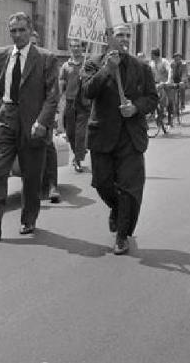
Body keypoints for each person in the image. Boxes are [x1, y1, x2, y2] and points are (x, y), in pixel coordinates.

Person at [0, 12, 59, 241]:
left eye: (21, 30)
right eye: (13, 31)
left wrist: (42, 122)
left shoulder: (46, 58)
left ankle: (29, 218)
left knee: (31, 176)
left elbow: (53, 96)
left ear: (30, 31)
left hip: (33, 123)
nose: (17, 35)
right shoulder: (1, 54)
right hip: (7, 119)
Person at [81, 24, 158, 255]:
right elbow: (87, 91)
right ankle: (116, 209)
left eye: (127, 35)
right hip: (103, 135)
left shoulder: (141, 67)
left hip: (130, 136)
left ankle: (122, 235)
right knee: (103, 184)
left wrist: (135, 107)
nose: (124, 39)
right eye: (119, 35)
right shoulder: (94, 63)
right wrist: (107, 69)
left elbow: (152, 98)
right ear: (109, 38)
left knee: (129, 188)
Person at [30, 31, 60, 204]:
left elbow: (53, 91)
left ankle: (52, 185)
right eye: (29, 43)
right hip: (23, 112)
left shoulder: (47, 60)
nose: (31, 46)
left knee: (47, 144)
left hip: (44, 110)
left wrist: (49, 114)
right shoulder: (15, 59)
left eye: (35, 43)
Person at [59, 39, 92, 173]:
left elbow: (94, 81)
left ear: (82, 48)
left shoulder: (88, 64)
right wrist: (57, 98)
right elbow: (61, 83)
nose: (76, 48)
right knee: (70, 132)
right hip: (70, 102)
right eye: (73, 46)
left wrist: (87, 76)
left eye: (78, 46)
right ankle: (78, 151)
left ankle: (78, 159)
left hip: (84, 103)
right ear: (70, 48)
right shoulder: (66, 66)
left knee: (80, 133)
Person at [149, 48, 172, 123]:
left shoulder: (164, 61)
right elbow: (149, 74)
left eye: (151, 54)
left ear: (155, 55)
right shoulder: (151, 63)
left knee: (169, 100)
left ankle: (169, 118)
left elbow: (169, 70)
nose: (150, 56)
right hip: (156, 83)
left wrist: (168, 81)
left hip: (164, 83)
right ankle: (154, 113)